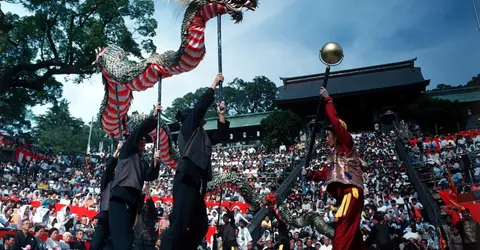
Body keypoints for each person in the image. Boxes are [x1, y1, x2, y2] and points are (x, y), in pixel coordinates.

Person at [159, 73, 230, 250]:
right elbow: (200, 106)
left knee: (200, 227)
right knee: (178, 225)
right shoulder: (188, 128)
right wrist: (214, 83)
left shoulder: (202, 135)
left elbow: (220, 136)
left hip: (197, 184)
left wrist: (221, 115)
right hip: (185, 180)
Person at [306, 87, 365, 250]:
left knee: (342, 231)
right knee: (352, 233)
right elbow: (323, 174)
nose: (327, 139)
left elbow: (335, 122)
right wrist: (310, 174)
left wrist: (328, 100)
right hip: (343, 197)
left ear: (337, 134)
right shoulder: (334, 158)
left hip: (351, 193)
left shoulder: (347, 145)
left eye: (329, 135)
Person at [108, 103, 163, 250]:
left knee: (125, 240)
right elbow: (140, 130)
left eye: (145, 140)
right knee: (122, 241)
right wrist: (153, 116)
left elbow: (150, 176)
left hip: (133, 201)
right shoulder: (127, 151)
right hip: (121, 198)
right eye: (141, 139)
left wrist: (156, 162)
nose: (143, 141)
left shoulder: (142, 160)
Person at [91, 142, 121, 250]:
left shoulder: (120, 183)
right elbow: (109, 168)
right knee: (96, 244)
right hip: (105, 215)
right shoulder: (106, 181)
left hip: (116, 218)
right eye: (115, 168)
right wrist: (117, 151)